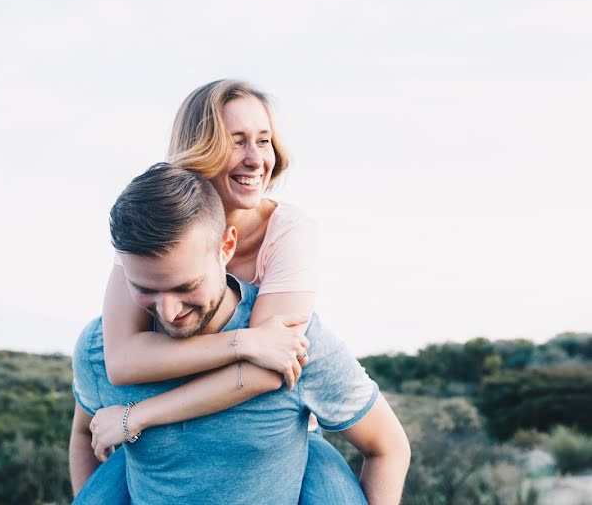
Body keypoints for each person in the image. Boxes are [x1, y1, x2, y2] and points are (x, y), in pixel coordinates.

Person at [78, 80, 402, 501]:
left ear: (226, 246)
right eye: (236, 142)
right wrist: (245, 343)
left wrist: (137, 417)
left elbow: (272, 364)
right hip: (165, 450)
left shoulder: (289, 232)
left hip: (279, 434)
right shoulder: (146, 239)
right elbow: (118, 363)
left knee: (322, 472)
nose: (256, 159)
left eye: (263, 141)